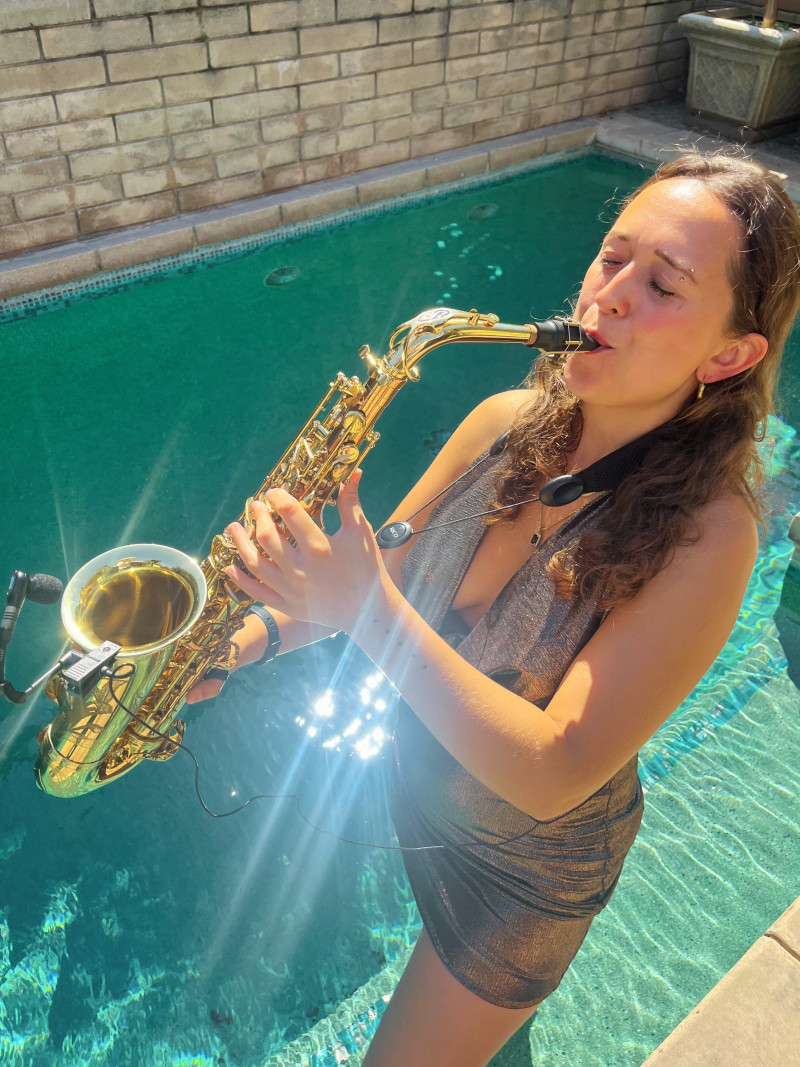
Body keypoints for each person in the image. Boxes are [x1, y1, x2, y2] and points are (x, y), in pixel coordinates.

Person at [187, 151, 800, 1066]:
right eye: (612, 257)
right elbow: (367, 585)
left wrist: (366, 609)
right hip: (429, 806)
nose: (608, 296)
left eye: (663, 285)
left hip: (524, 878)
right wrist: (238, 641)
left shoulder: (712, 537)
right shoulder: (501, 423)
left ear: (730, 355)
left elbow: (555, 768)